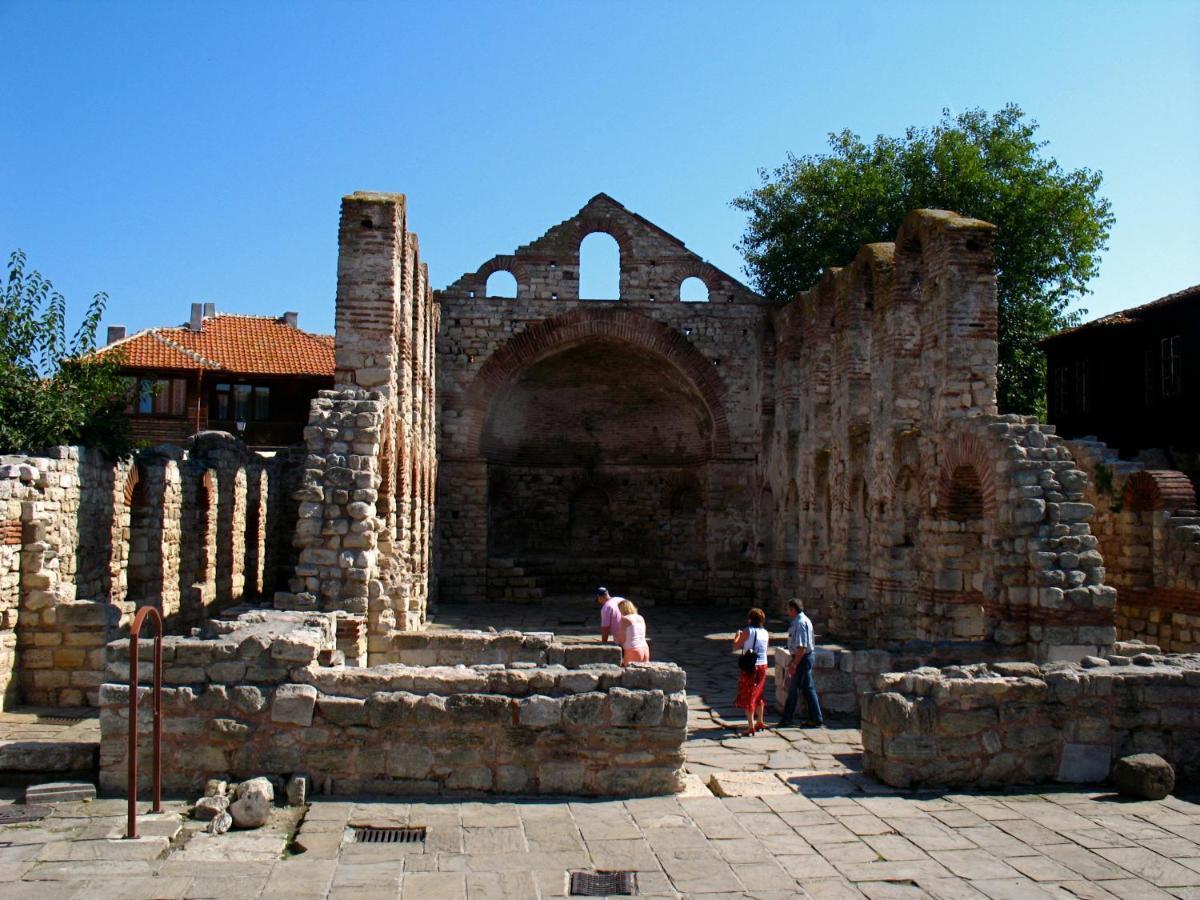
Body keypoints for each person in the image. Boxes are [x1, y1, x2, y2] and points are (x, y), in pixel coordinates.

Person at [776, 598, 824, 728]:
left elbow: (802, 647)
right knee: (808, 688)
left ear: (793, 609)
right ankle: (816, 718)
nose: (787, 612)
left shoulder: (800, 623)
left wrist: (794, 664)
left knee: (794, 689)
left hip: (802, 658)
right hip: (802, 658)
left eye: (788, 609)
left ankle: (787, 718)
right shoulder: (802, 621)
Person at [732, 607, 769, 736]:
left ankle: (750, 726)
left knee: (748, 693)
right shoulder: (765, 632)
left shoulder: (748, 631)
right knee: (759, 693)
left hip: (751, 666)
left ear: (750, 619)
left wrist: (737, 636)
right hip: (763, 665)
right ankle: (760, 721)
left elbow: (736, 646)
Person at [615, 599, 650, 665]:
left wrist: (616, 639)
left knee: (627, 673)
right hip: (645, 648)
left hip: (633, 649)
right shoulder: (640, 617)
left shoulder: (625, 619)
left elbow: (621, 640)